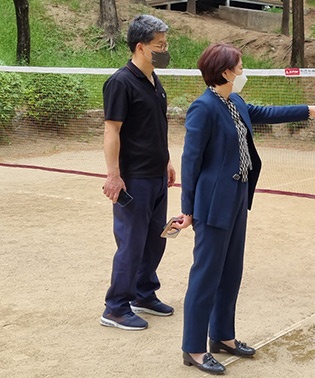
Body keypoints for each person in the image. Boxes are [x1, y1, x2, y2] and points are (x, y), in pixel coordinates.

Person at [173, 43, 315, 374]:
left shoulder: (235, 101)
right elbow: (190, 162)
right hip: (213, 203)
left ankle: (222, 336)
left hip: (238, 197)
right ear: (225, 72)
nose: (243, 70)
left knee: (231, 272)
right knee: (206, 276)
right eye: (240, 66)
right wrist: (188, 209)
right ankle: (193, 348)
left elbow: (264, 113)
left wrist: (308, 109)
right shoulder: (202, 108)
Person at [100, 14, 176, 331]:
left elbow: (155, 128)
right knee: (131, 243)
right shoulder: (120, 82)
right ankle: (116, 307)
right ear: (142, 47)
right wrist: (113, 175)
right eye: (160, 45)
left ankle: (144, 294)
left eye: (166, 44)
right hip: (134, 180)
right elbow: (112, 132)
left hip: (157, 176)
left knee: (156, 240)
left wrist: (167, 160)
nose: (165, 49)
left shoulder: (155, 82)